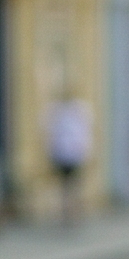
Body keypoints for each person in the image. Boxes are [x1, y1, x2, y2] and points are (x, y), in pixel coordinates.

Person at [45, 90, 92, 227]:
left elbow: (83, 133)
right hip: (64, 153)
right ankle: (67, 212)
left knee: (73, 184)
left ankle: (73, 212)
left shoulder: (77, 111)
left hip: (73, 153)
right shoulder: (58, 111)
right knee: (66, 185)